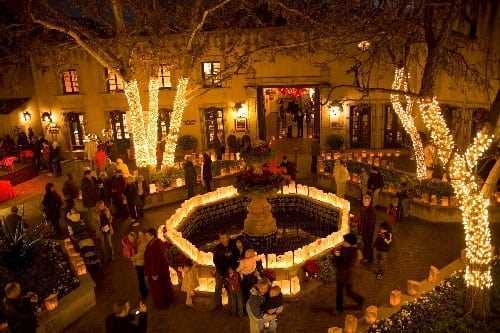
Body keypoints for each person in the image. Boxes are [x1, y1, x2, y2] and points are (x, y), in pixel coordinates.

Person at [334, 233, 364, 313]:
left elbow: (349, 263)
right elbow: (337, 261)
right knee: (339, 292)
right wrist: (336, 255)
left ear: (349, 243)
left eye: (345, 241)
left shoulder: (354, 252)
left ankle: (360, 300)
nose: (343, 242)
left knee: (349, 292)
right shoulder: (343, 249)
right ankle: (338, 308)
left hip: (348, 276)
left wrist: (338, 256)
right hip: (341, 274)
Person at [144, 228, 173, 309]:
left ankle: (162, 304)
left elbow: (155, 261)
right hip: (161, 270)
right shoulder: (156, 242)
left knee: (159, 289)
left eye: (146, 235)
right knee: (165, 286)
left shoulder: (155, 246)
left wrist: (154, 274)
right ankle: (168, 300)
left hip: (157, 272)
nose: (145, 237)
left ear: (152, 235)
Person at [213, 231, 238, 310]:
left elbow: (236, 257)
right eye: (221, 238)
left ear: (228, 237)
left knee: (230, 288)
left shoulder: (233, 245)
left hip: (231, 271)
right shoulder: (218, 248)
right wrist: (220, 271)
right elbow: (215, 260)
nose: (222, 240)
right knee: (218, 287)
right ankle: (217, 304)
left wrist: (232, 269)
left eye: (224, 238)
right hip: (220, 270)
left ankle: (231, 306)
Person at [360, 195, 376, 264]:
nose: (365, 202)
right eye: (364, 200)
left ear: (370, 202)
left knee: (368, 245)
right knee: (366, 244)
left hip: (368, 232)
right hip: (364, 230)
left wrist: (368, 232)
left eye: (367, 201)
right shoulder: (363, 208)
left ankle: (367, 258)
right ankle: (367, 257)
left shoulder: (371, 211)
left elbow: (371, 223)